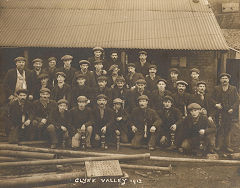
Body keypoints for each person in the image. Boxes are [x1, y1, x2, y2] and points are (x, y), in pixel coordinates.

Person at [212, 73, 240, 153]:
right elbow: (211, 99)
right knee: (219, 128)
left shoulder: (233, 89)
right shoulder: (216, 88)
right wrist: (216, 104)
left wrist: (232, 108)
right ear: (220, 80)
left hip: (229, 112)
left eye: (226, 78)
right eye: (223, 78)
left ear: (228, 80)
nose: (224, 80)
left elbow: (237, 100)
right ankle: (218, 146)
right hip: (219, 112)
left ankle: (228, 146)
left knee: (228, 129)